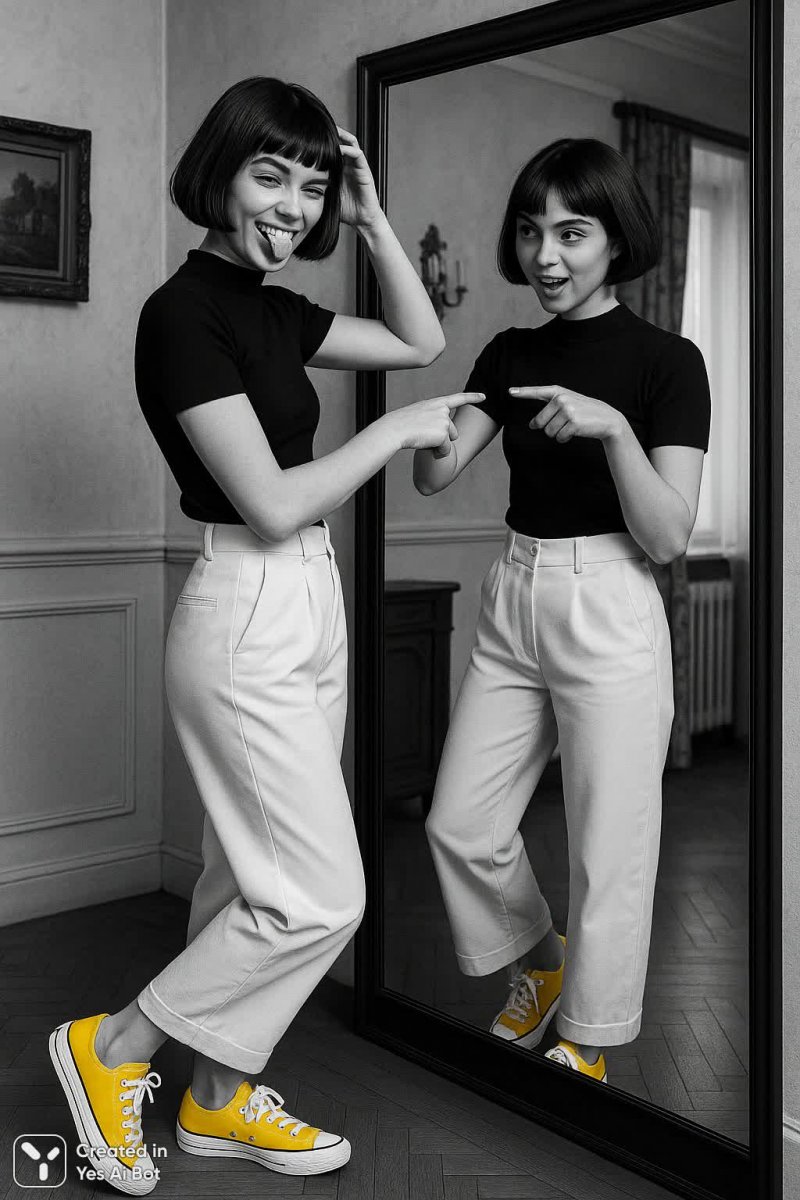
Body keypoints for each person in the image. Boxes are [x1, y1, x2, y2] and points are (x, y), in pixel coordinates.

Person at [48, 76, 480, 1194]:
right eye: (269, 175)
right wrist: (393, 435)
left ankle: (216, 1097)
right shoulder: (181, 314)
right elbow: (274, 503)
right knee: (323, 893)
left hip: (309, 600)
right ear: (219, 172)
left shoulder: (276, 310)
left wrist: (371, 217)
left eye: (312, 186)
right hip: (247, 601)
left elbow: (421, 337)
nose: (292, 206)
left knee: (246, 879)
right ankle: (114, 1048)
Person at [415, 138, 710, 1085]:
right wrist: (425, 414)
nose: (546, 255)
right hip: (516, 591)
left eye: (572, 233)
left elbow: (668, 535)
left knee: (608, 844)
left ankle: (588, 1039)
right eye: (531, 231)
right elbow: (432, 476)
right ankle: (544, 966)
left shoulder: (669, 362)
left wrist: (613, 428)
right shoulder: (511, 352)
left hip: (611, 597)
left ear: (616, 240)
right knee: (459, 823)